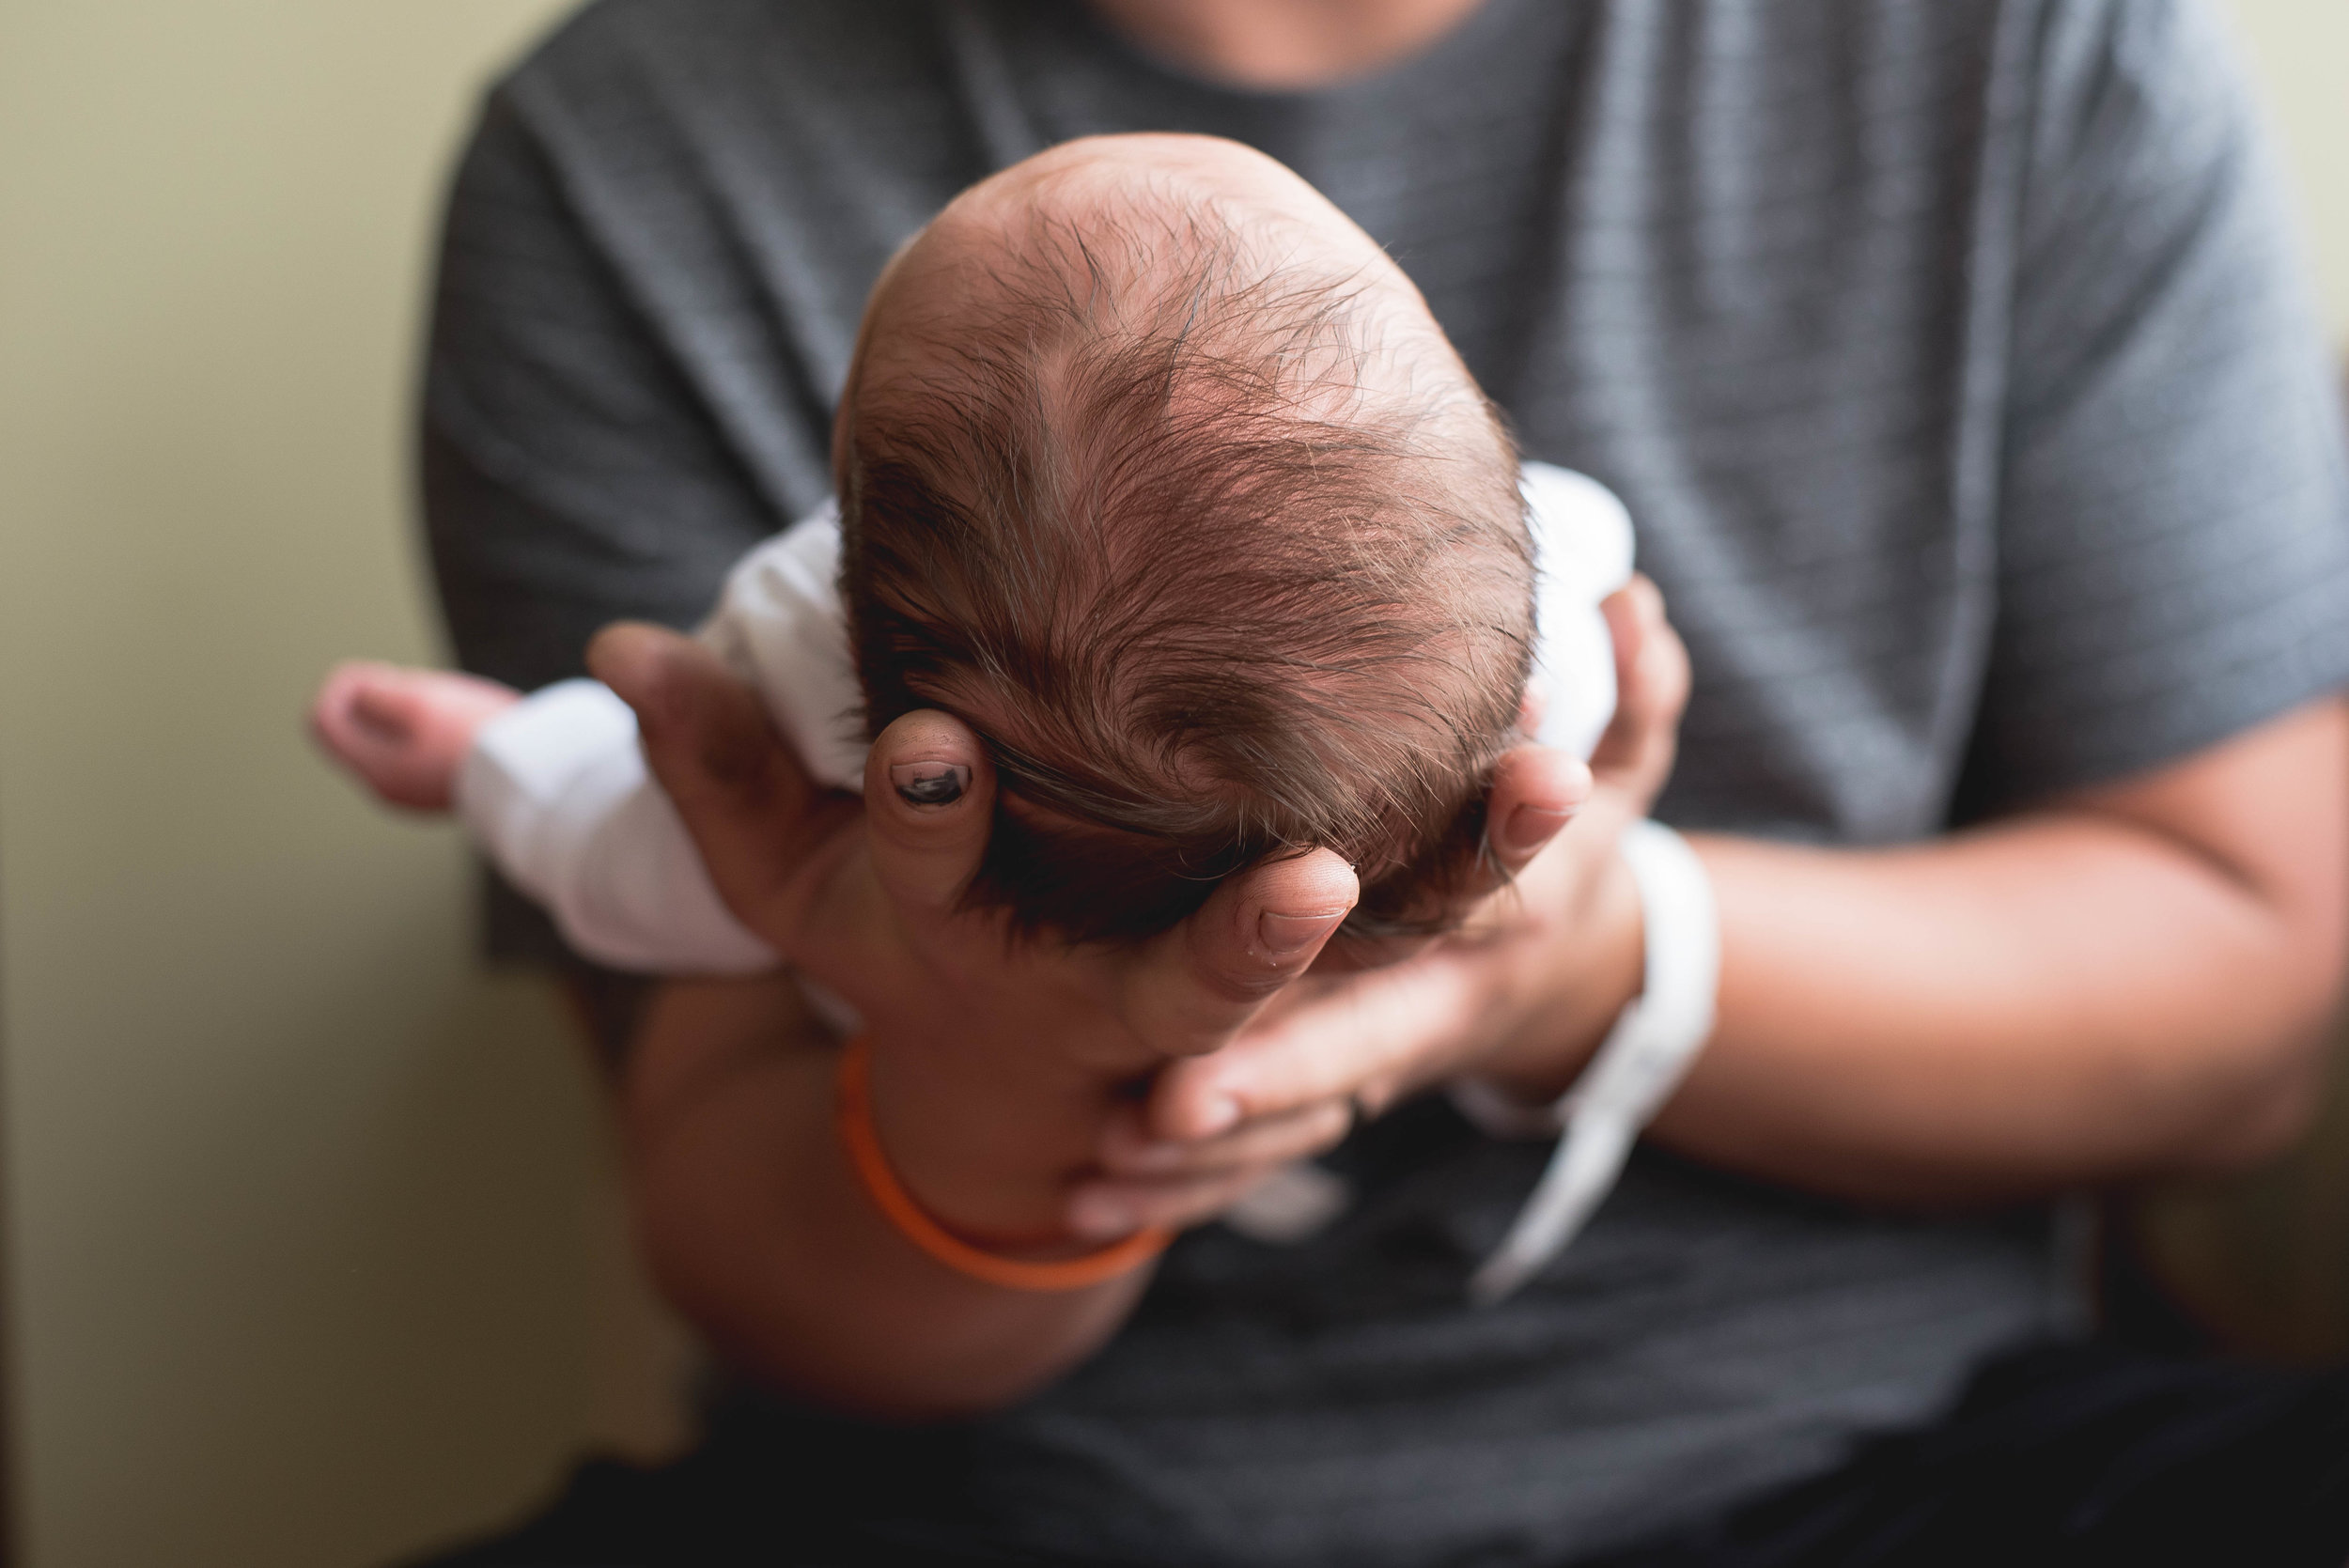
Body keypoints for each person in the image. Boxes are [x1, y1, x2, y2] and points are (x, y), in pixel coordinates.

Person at [397, 0, 2349, 1562]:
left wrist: (1573, 963)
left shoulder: (2022, 41)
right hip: (979, 1501)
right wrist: (989, 1073)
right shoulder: (621, 154)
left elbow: (2236, 996)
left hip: (1916, 1457)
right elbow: (752, 1244)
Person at [312, 133, 1637, 979]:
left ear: (843, 494)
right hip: (1379, 978)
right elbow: (1588, 533)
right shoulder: (1541, 637)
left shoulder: (796, 638)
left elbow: (642, 877)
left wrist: (499, 761)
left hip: (942, 986)